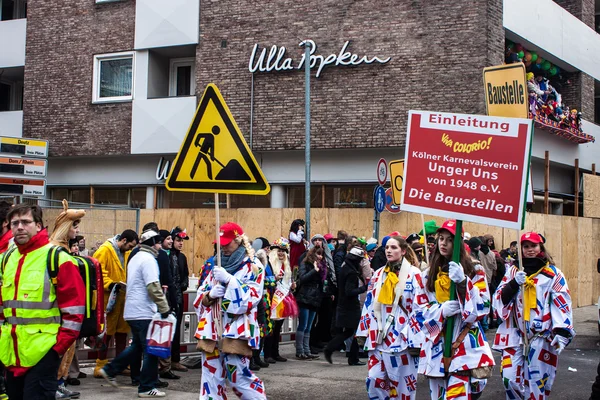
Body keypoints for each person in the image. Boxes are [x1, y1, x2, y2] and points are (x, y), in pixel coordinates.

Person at [0, 204, 85, 400]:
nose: (20, 227)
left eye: (25, 222)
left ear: (39, 226)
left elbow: (75, 311)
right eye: (15, 223)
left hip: (43, 354)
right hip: (12, 354)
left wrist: (56, 350)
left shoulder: (57, 258)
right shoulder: (8, 259)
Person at [415, 220, 494, 400]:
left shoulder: (476, 270)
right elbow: (418, 311)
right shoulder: (427, 274)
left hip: (464, 345)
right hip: (436, 347)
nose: (443, 243)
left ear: (458, 243)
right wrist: (440, 311)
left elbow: (484, 308)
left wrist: (463, 283)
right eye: (440, 239)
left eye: (449, 240)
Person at [493, 232, 574, 400]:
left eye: (534, 246)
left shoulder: (553, 274)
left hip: (540, 337)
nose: (530, 250)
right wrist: (514, 283)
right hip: (514, 335)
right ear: (521, 249)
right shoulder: (513, 271)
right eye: (526, 246)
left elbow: (561, 302)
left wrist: (562, 332)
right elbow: (499, 300)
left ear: (541, 247)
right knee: (510, 380)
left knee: (537, 385)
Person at [193, 222, 266, 400]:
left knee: (239, 379)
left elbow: (252, 298)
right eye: (221, 243)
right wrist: (209, 295)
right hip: (211, 331)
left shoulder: (254, 266)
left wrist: (230, 282)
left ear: (238, 240)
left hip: (236, 332)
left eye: (227, 243)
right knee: (210, 379)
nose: (223, 247)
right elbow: (200, 296)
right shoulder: (214, 264)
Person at [100, 230, 171, 398]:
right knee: (151, 350)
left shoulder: (135, 258)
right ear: (153, 243)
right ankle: (146, 387)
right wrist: (164, 307)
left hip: (132, 311)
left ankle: (110, 370)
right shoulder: (149, 260)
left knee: (137, 346)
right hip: (144, 311)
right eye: (159, 242)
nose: (160, 246)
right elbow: (153, 286)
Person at [356, 236, 423, 399]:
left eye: (393, 247)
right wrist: (363, 332)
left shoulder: (415, 275)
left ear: (403, 251)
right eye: (387, 247)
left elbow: (420, 308)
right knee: (374, 379)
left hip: (403, 340)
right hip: (379, 338)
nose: (389, 251)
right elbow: (370, 304)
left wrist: (414, 338)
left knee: (402, 388)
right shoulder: (378, 274)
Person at [49, 200, 86, 400]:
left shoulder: (62, 251)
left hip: (65, 317)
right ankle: (54, 384)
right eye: (74, 225)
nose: (77, 229)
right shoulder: (55, 252)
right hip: (56, 317)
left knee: (68, 354)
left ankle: (60, 382)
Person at [93, 229, 139, 378]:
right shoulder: (104, 251)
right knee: (106, 333)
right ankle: (100, 364)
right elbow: (98, 272)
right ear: (124, 240)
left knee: (122, 333)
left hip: (122, 298)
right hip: (108, 299)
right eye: (130, 246)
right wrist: (111, 284)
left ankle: (120, 364)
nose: (130, 250)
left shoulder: (125, 253)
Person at [324, 246, 369, 366]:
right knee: (354, 332)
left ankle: (334, 350)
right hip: (350, 306)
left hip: (344, 304)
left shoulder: (345, 268)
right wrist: (364, 288)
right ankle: (351, 357)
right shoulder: (351, 272)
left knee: (349, 331)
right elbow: (350, 291)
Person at [263, 238, 296, 364]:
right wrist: (274, 280)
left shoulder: (287, 266)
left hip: (282, 299)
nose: (281, 253)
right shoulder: (269, 264)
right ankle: (267, 354)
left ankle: (275, 353)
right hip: (272, 299)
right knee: (270, 328)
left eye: (283, 251)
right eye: (279, 250)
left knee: (278, 329)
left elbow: (288, 282)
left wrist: (293, 286)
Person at [294, 246, 325, 360]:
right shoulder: (305, 263)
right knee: (303, 325)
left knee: (309, 326)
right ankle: (299, 350)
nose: (320, 256)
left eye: (321, 254)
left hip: (315, 298)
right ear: (313, 254)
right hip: (305, 297)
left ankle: (307, 350)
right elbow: (302, 278)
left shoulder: (321, 266)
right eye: (318, 254)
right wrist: (314, 270)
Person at [169, 227, 190, 373]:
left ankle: (175, 360)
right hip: (168, 298)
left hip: (179, 298)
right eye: (178, 240)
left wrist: (184, 284)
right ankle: (164, 362)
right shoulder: (166, 255)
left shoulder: (182, 257)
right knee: (166, 330)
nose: (181, 243)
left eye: (182, 241)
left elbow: (186, 275)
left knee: (177, 330)